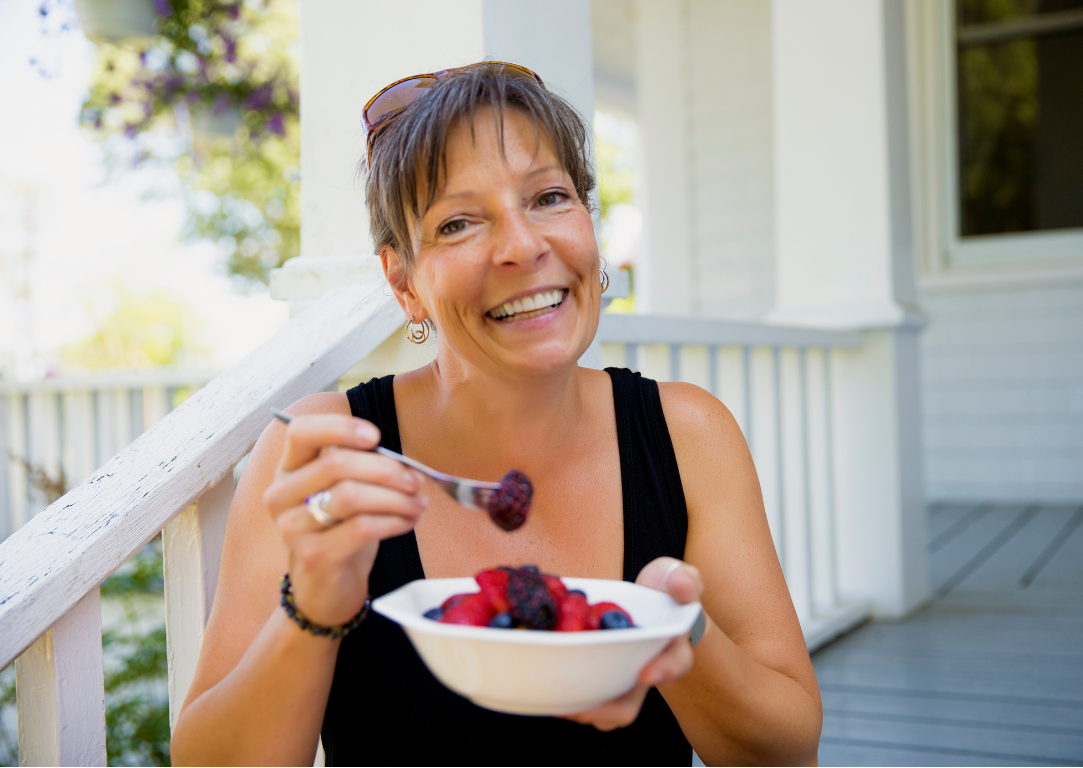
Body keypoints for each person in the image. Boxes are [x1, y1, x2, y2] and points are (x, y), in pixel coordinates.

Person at [169, 62, 821, 766]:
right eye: (458, 222)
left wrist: (677, 629)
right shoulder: (329, 457)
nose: (523, 246)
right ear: (403, 283)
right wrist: (316, 606)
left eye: (547, 197)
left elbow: (784, 751)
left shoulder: (687, 435)